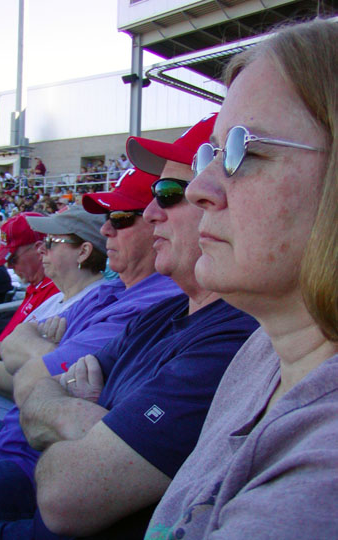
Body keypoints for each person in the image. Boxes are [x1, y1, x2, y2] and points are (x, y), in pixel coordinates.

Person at [143, 18, 338, 540]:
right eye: (213, 151)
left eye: (242, 150)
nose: (199, 188)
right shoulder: (262, 352)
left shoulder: (320, 488)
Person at [0, 167, 181, 531]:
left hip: (27, 468)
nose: (105, 229)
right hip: (5, 434)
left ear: (160, 222)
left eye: (121, 218)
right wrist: (37, 349)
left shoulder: (153, 303)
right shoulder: (113, 291)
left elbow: (33, 371)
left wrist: (35, 353)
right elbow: (19, 344)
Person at [0, 206, 108, 420]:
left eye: (51, 243)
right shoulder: (57, 298)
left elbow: (42, 381)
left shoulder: (94, 305)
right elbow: (17, 351)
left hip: (4, 421)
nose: (41, 250)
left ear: (83, 252)